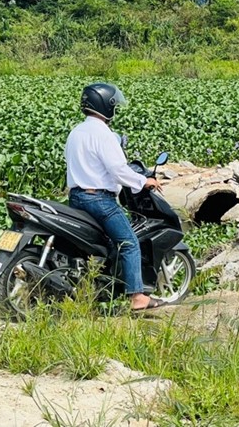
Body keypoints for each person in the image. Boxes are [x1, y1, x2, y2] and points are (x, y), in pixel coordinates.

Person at [65, 82, 165, 311]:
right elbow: (118, 170)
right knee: (129, 243)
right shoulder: (103, 134)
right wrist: (144, 181)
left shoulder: (76, 132)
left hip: (77, 198)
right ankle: (138, 297)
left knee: (100, 244)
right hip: (100, 201)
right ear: (106, 106)